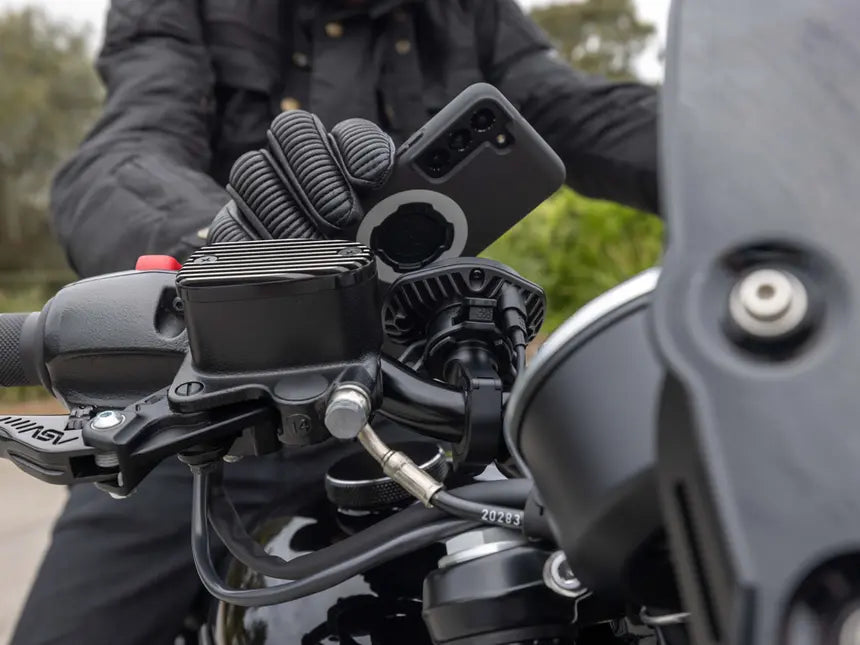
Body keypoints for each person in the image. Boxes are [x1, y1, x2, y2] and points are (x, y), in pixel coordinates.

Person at [12, 1, 659, 643]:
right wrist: (225, 253)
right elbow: (124, 150)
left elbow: (584, 112)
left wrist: (719, 148)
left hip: (416, 405)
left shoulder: (466, 11)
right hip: (204, 407)